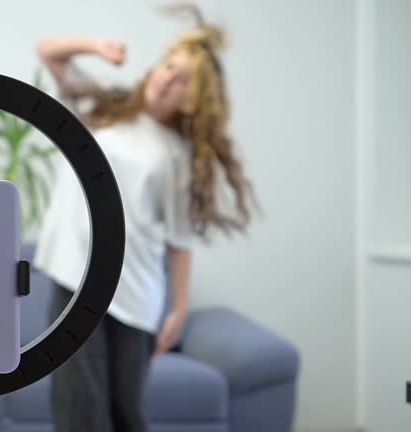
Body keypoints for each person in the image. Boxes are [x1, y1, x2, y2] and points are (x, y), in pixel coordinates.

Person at [33, 5, 255, 432]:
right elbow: (48, 52)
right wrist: (95, 46)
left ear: (194, 99)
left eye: (183, 79)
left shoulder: (177, 153)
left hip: (134, 297)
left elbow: (179, 238)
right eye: (168, 67)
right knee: (80, 412)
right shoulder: (106, 109)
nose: (168, 79)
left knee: (127, 414)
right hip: (74, 279)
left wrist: (180, 307)